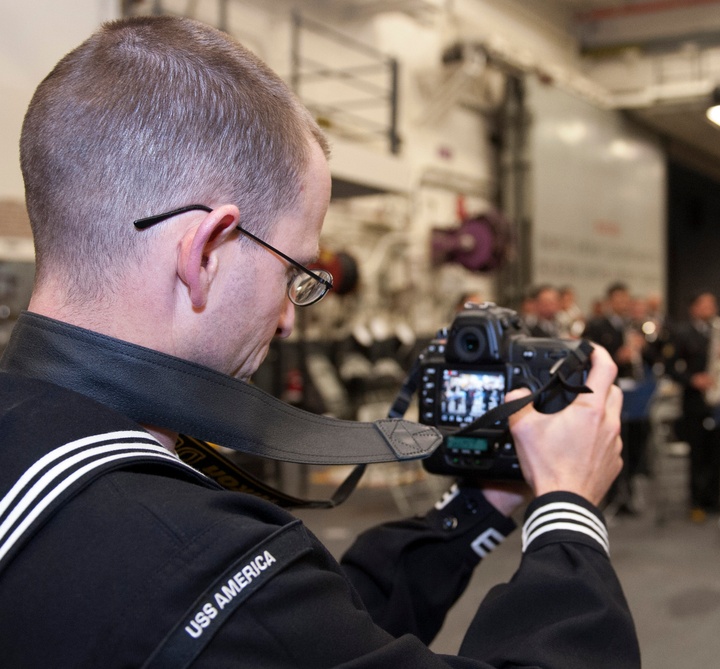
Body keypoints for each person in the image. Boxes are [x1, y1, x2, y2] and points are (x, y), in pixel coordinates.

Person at [0, 16, 639, 668]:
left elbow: (322, 631)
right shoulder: (190, 562)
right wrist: (567, 507)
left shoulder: (61, 476)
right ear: (205, 252)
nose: (288, 320)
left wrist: (479, 506)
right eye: (293, 272)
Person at [584, 282, 650, 515]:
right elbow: (587, 356)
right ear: (610, 301)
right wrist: (616, 357)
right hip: (608, 391)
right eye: (619, 299)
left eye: (626, 299)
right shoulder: (596, 325)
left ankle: (628, 492)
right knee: (610, 444)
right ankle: (611, 495)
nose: (623, 304)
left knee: (631, 444)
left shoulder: (632, 326)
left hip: (631, 389)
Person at [669, 290, 720, 522]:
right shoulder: (682, 333)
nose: (710, 308)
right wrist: (692, 379)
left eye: (712, 304)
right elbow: (671, 367)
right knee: (698, 454)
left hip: (719, 399)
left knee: (718, 451)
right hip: (695, 401)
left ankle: (715, 499)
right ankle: (696, 501)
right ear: (693, 308)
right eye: (704, 304)